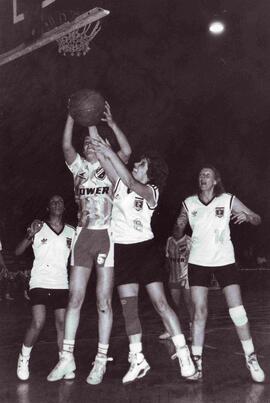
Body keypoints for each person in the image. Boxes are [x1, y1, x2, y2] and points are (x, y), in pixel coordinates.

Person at [92, 134, 196, 384]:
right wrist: (93, 125)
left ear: (150, 172)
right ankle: (137, 359)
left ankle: (184, 354)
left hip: (146, 251)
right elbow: (101, 157)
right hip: (124, 251)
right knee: (129, 309)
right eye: (136, 162)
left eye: (141, 164)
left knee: (161, 304)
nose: (135, 164)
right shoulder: (118, 184)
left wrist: (111, 151)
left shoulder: (151, 191)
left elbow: (128, 177)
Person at [47, 102, 131, 384]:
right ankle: (66, 358)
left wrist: (97, 120)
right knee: (75, 298)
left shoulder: (109, 166)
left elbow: (126, 152)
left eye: (93, 142)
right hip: (83, 236)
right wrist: (72, 116)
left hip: (105, 235)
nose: (89, 144)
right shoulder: (79, 168)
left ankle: (100, 360)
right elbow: (66, 146)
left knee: (103, 301)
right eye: (87, 142)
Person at [176, 165, 265, 382]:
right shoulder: (189, 203)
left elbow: (257, 218)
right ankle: (197, 363)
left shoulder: (227, 199)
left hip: (225, 260)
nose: (202, 177)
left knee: (238, 311)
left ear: (215, 180)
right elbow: (178, 225)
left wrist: (247, 216)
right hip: (198, 261)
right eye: (200, 175)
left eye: (207, 175)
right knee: (199, 312)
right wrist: (178, 233)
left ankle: (251, 358)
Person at [15, 195, 75, 381]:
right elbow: (18, 251)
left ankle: (63, 362)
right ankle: (23, 358)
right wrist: (29, 235)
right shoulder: (38, 227)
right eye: (53, 202)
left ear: (64, 207)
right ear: (48, 207)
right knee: (38, 322)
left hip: (61, 283)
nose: (57, 204)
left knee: (61, 325)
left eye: (60, 202)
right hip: (40, 282)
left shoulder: (72, 232)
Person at [159, 225, 193, 340]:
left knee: (189, 305)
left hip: (186, 278)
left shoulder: (189, 241)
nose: (175, 229)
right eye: (174, 227)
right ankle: (170, 330)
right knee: (173, 305)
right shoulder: (169, 240)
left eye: (178, 227)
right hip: (173, 278)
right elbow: (167, 259)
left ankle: (193, 331)